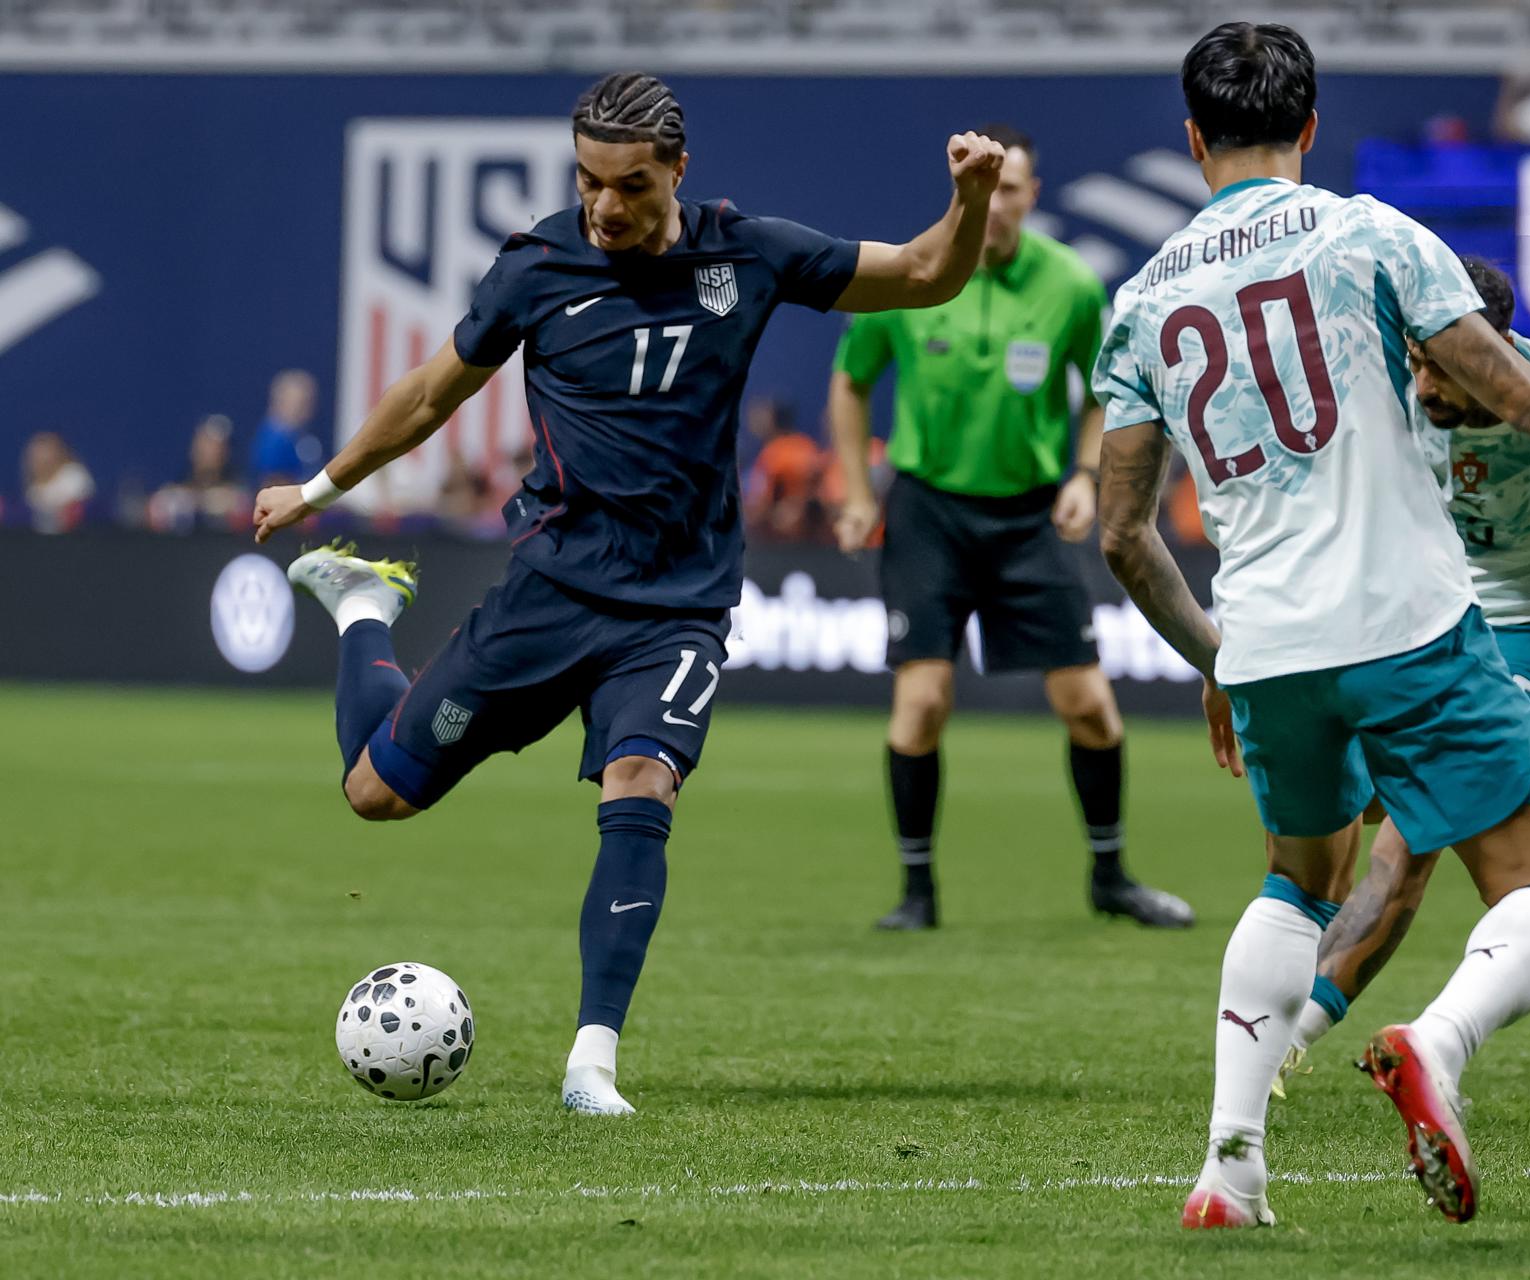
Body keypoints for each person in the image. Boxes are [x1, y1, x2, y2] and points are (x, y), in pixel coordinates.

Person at [252, 72, 1007, 1116]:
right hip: (552, 590)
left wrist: (968, 197)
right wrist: (321, 488)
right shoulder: (537, 267)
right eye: (590, 180)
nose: (606, 205)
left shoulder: (751, 253)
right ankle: (364, 607)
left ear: (678, 173)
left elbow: (927, 273)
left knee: (641, 780)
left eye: (631, 185)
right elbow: (431, 393)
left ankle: (591, 1061)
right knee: (375, 793)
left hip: (678, 603)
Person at [1093, 22, 1530, 1229]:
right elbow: (1520, 394)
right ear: (1309, 128)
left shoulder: (1146, 295)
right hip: (1406, 624)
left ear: (1191, 135)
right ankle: (1438, 1038)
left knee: (1294, 881)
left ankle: (1230, 1165)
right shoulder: (1368, 232)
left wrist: (1223, 656)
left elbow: (1119, 533)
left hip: (1266, 643)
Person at [1281, 259, 1530, 1081]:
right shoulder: (1393, 380)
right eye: (1418, 359)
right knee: (1339, 826)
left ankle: (1296, 1038)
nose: (1424, 385)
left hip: (1528, 633)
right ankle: (1319, 1031)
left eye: (1444, 367)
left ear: (1493, 351)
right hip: (1416, 613)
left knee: (1413, 836)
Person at [828, 123, 1192, 932]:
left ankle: (1111, 878)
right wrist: (857, 492)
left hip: (1029, 515)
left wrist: (1085, 475)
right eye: (985, 186)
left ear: (1031, 195)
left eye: (1014, 187)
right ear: (965, 187)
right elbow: (851, 384)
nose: (998, 203)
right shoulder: (915, 272)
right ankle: (917, 894)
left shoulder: (1070, 285)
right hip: (927, 510)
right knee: (921, 703)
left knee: (1091, 706)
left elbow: (1106, 393)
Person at [742, 399, 828, 542]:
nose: (755, 421)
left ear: (772, 420)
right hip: (814, 538)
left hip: (783, 540)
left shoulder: (773, 453)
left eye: (762, 416)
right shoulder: (806, 444)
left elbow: (761, 506)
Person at [148, 414, 248, 533]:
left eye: (219, 446)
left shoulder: (237, 488)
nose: (213, 452)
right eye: (207, 444)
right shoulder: (180, 483)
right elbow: (156, 510)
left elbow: (244, 514)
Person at [248, 368, 324, 486]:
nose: (306, 408)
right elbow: (273, 483)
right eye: (301, 402)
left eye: (309, 401)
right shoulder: (273, 441)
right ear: (281, 401)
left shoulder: (302, 435)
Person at [21, 431, 94, 533]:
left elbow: (80, 511)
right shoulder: (33, 490)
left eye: (44, 452)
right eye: (34, 455)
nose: (38, 459)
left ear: (57, 453)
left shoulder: (73, 475)